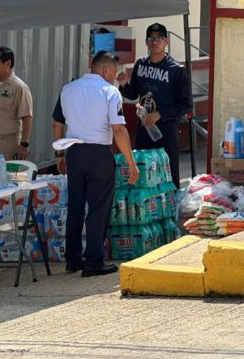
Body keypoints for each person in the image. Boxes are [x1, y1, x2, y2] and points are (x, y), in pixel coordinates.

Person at [52, 51, 139, 277]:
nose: (114, 77)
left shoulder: (68, 89)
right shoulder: (110, 92)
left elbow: (57, 123)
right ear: (106, 70)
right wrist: (131, 162)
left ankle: (73, 259)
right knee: (99, 208)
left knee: (75, 206)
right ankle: (94, 260)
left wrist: (59, 155)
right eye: (114, 72)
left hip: (74, 152)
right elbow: (118, 129)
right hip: (99, 154)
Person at [117, 23, 192, 189]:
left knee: (168, 176)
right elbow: (133, 94)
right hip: (144, 129)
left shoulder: (176, 69)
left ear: (166, 42)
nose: (154, 42)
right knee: (144, 175)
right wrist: (123, 85)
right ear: (146, 42)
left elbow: (186, 105)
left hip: (166, 131)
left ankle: (173, 205)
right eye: (151, 38)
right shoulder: (140, 64)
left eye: (159, 38)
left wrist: (160, 114)